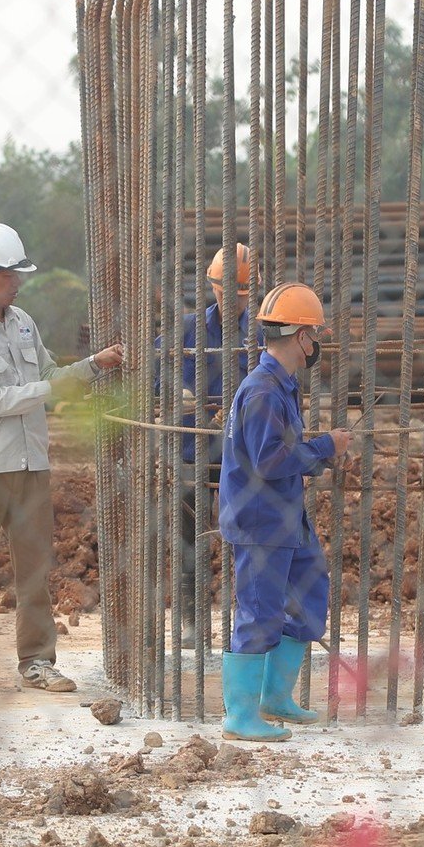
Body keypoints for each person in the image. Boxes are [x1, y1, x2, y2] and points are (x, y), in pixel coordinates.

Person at [0, 222, 125, 696]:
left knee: (35, 570)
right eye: (9, 275)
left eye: (19, 274)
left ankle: (37, 661)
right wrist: (49, 389)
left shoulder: (23, 323)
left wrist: (91, 366)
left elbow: (47, 373)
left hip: (29, 464)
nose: (17, 283)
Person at [217, 282, 352, 742]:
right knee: (258, 612)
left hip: (285, 517)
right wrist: (325, 446)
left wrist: (320, 452)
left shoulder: (281, 386)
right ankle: (240, 715)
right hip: (260, 522)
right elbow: (270, 459)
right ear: (299, 337)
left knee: (310, 590)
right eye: (313, 335)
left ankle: (275, 698)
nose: (315, 345)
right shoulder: (262, 393)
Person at [166, 243, 258, 645]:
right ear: (211, 286)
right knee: (190, 537)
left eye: (238, 291)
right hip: (194, 454)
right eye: (223, 288)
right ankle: (192, 622)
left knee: (251, 535)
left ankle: (249, 621)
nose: (230, 297)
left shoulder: (262, 334)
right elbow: (156, 377)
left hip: (244, 456)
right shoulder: (187, 331)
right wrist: (183, 397)